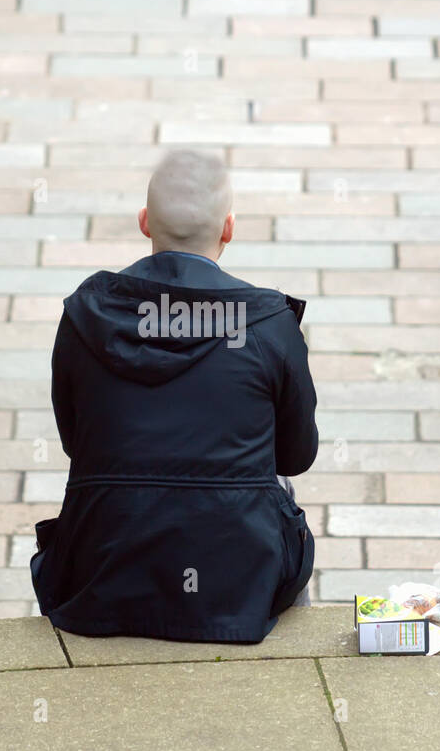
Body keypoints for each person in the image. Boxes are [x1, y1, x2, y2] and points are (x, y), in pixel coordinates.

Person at [30, 150, 320, 643]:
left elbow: (78, 442)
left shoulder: (85, 315)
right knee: (281, 492)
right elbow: (296, 456)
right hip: (237, 581)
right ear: (228, 229)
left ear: (144, 222)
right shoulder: (268, 324)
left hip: (101, 570)